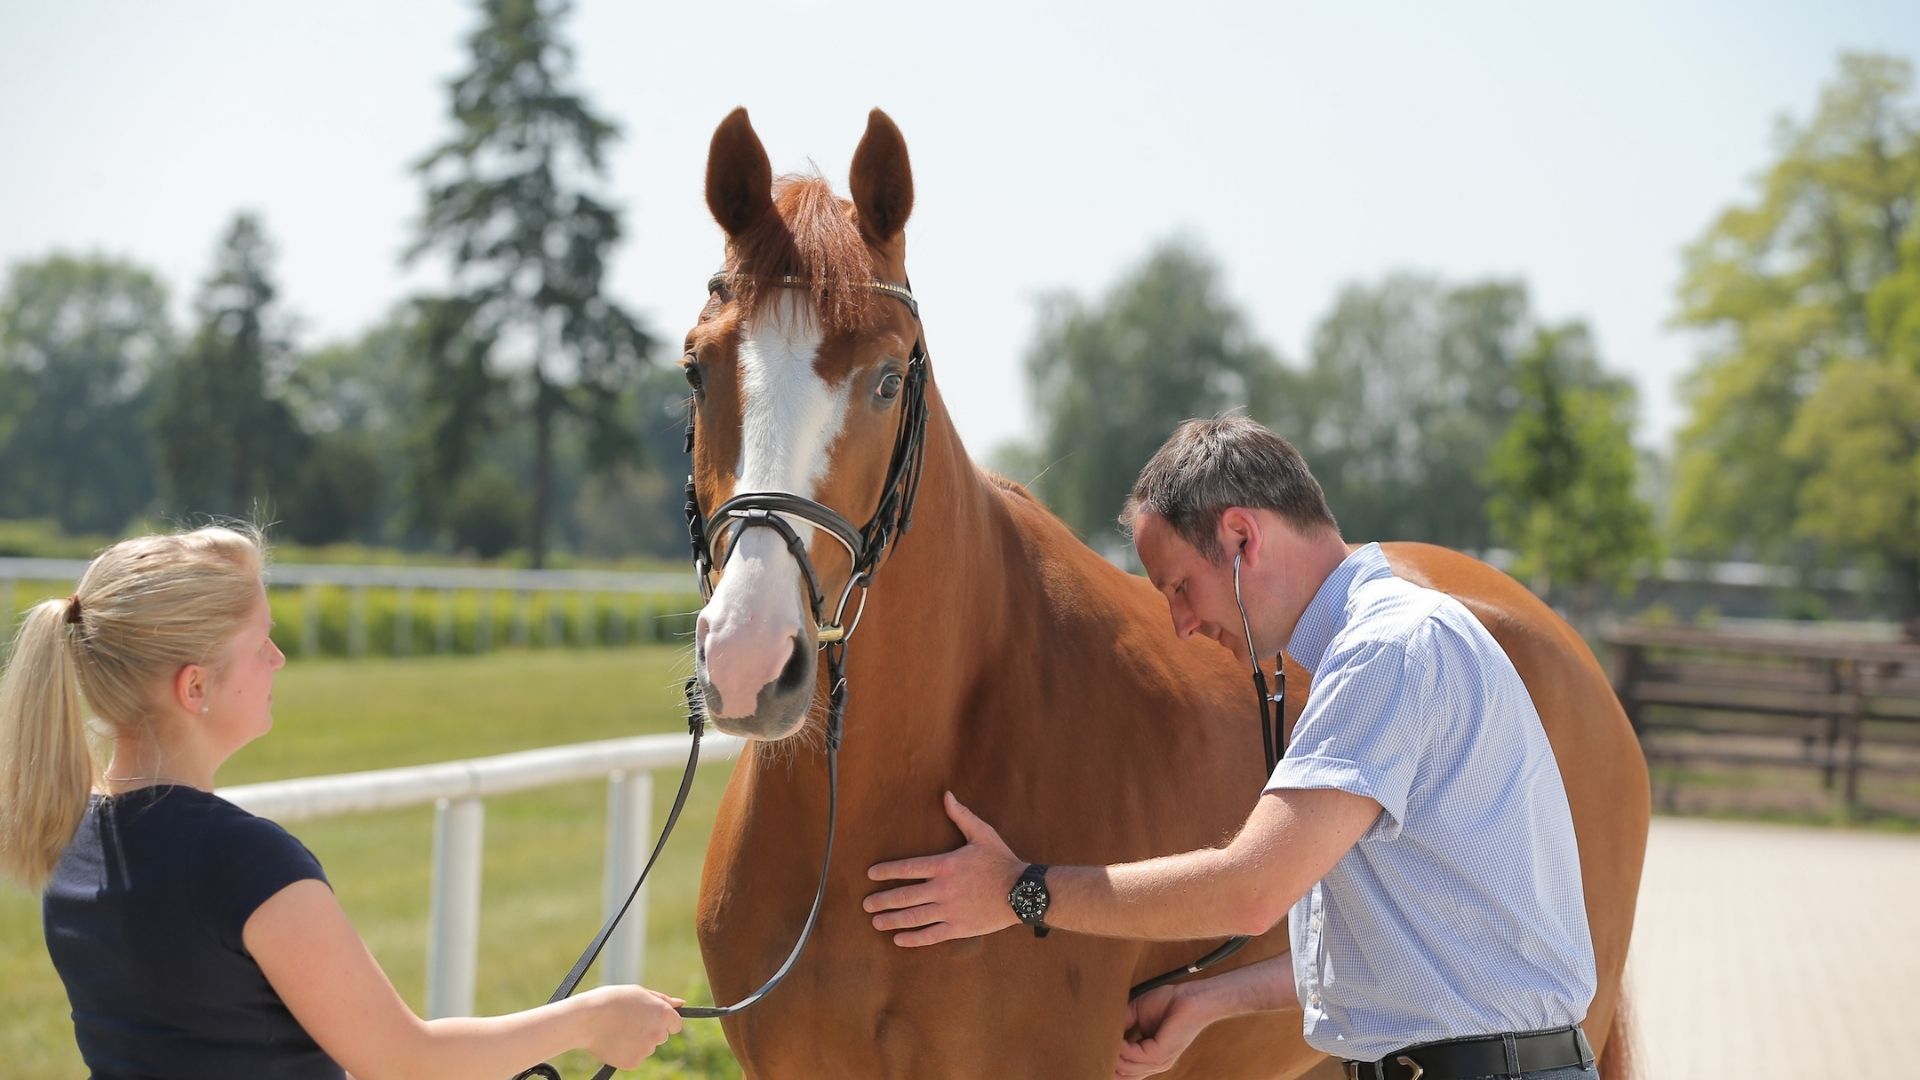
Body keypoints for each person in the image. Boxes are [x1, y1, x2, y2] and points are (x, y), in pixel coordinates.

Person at [863, 417, 1600, 1080]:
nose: (1179, 623)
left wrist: (1017, 890)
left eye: (1180, 586)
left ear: (1243, 537)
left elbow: (1251, 891)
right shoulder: (1395, 641)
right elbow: (1406, 956)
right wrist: (1207, 999)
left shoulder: (1387, 653)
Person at [0, 525, 684, 1079]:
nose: (278, 659)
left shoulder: (73, 838)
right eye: (258, 643)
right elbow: (403, 1062)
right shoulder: (243, 860)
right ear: (195, 688)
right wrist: (590, 1021)